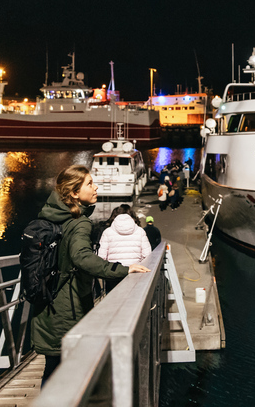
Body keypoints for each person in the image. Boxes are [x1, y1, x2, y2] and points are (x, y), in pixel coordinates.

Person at [31, 165, 149, 385]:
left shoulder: (51, 216)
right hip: (68, 307)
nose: (96, 188)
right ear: (75, 193)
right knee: (67, 371)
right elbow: (83, 258)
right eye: (90, 184)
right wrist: (122, 268)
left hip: (46, 303)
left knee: (53, 367)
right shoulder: (79, 223)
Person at [98, 206, 152, 292]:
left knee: (113, 301)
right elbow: (147, 255)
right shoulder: (140, 231)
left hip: (113, 273)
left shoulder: (107, 232)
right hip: (135, 272)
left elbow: (101, 257)